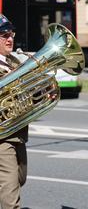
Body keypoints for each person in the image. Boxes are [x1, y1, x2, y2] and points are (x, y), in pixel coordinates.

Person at [0, 14, 28, 209]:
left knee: (20, 178)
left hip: (18, 134)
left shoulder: (15, 62)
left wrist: (43, 92)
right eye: (4, 35)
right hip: (1, 138)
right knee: (11, 198)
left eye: (11, 34)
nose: (10, 39)